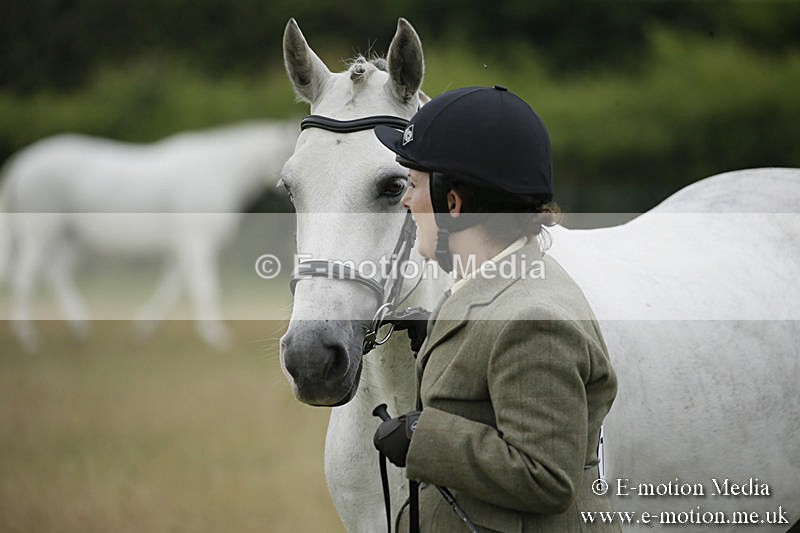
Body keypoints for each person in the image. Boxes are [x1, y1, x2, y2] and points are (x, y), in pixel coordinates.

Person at [372, 86, 620, 532]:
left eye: (413, 185)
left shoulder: (533, 321)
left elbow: (545, 475)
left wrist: (422, 437)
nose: (406, 202)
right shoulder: (498, 277)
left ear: (453, 201)